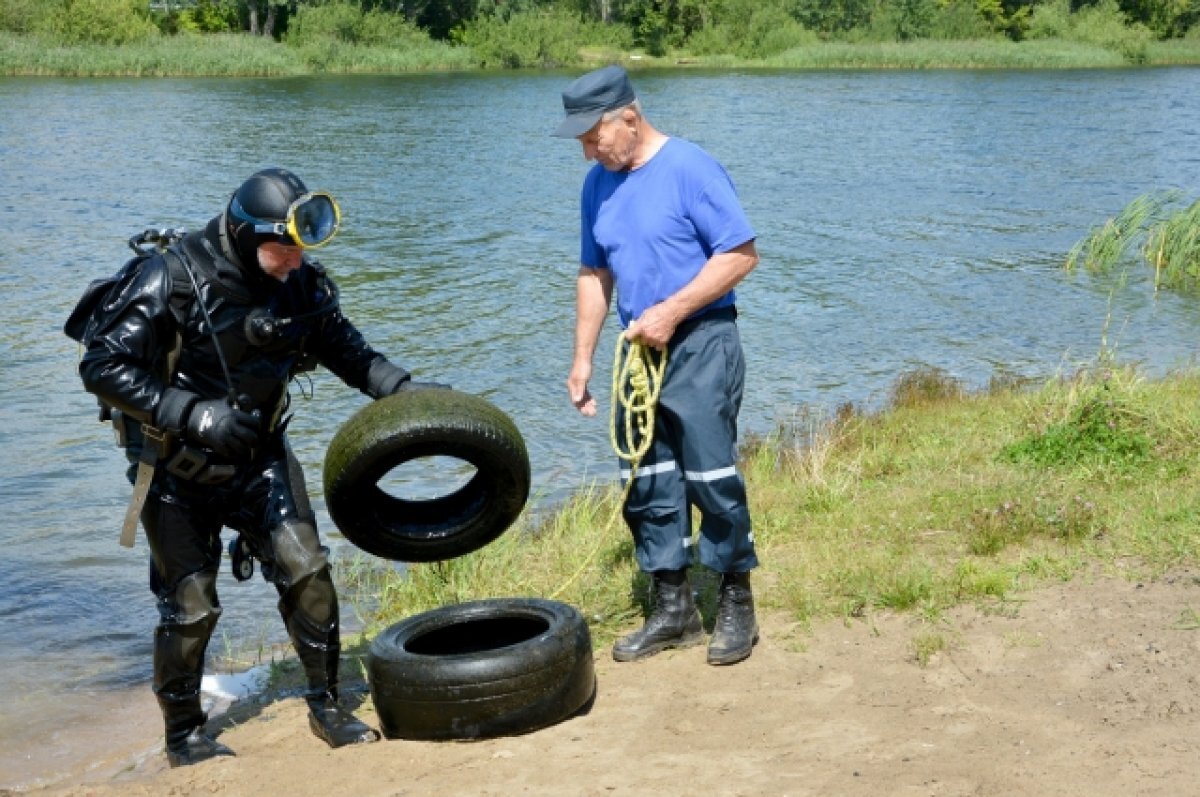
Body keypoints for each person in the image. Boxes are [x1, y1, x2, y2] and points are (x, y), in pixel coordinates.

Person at [72, 168, 446, 766]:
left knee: (309, 576)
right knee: (190, 611)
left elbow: (339, 343)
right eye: (285, 249)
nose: (296, 262)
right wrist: (191, 414)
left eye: (303, 250)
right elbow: (101, 365)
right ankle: (183, 737)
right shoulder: (169, 278)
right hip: (176, 471)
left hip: (261, 459)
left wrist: (398, 388)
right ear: (249, 237)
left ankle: (328, 706)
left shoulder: (296, 282)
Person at [553, 66, 761, 666]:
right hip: (639, 352)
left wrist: (672, 311)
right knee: (648, 480)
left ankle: (735, 605)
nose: (589, 152)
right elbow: (595, 273)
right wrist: (582, 358)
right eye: (582, 143)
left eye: (594, 138)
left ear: (629, 117)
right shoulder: (598, 183)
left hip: (701, 341)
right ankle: (673, 610)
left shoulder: (691, 168)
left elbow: (741, 255)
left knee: (710, 478)